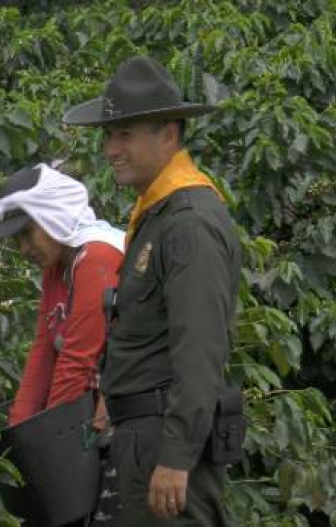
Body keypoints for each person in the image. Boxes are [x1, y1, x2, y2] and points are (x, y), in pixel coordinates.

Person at [62, 56, 241, 525]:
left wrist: (177, 455)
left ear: (169, 134)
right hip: (144, 434)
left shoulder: (188, 224)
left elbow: (200, 349)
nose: (111, 149)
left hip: (165, 440)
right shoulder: (159, 215)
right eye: (108, 135)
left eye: (125, 134)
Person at [0, 162, 124, 428]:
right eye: (17, 240)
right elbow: (44, 351)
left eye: (27, 233)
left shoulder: (98, 258)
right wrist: (19, 428)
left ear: (53, 215)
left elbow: (76, 361)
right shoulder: (58, 266)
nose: (24, 249)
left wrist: (52, 434)